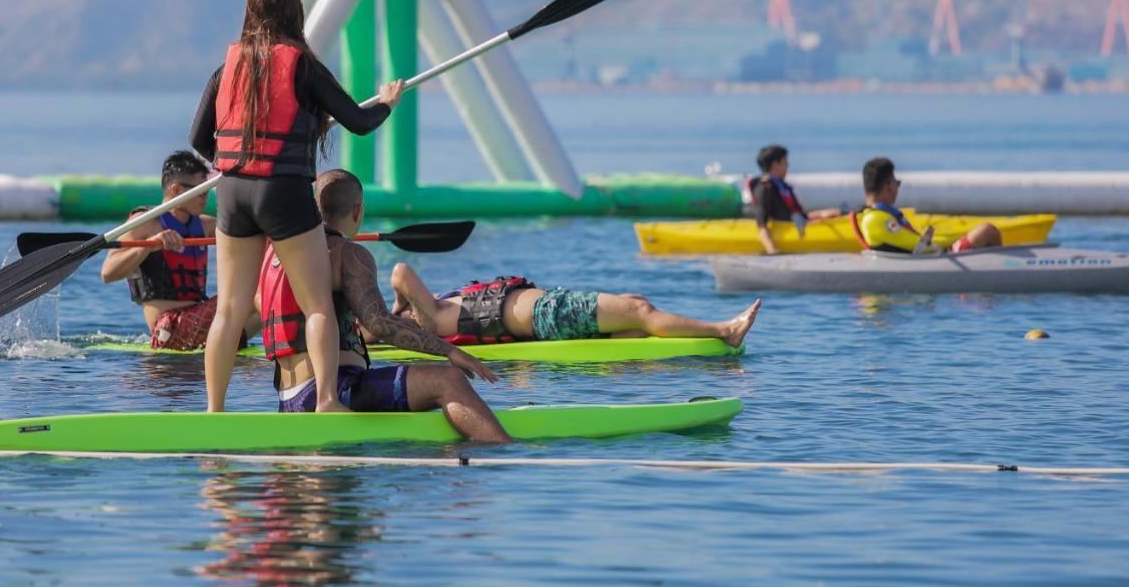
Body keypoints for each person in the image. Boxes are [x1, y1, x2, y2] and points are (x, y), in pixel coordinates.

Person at [190, 0, 403, 413]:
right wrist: (387, 101)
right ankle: (325, 399)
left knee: (229, 310)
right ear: (295, 13)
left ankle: (213, 410)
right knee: (317, 303)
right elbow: (359, 123)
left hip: (232, 193)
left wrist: (233, 162)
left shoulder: (224, 68)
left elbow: (198, 139)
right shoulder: (301, 65)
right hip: (284, 194)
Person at [260, 169, 511, 442]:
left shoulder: (278, 254)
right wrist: (450, 351)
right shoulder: (350, 254)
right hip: (335, 389)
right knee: (449, 380)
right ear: (357, 210)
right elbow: (378, 324)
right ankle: (506, 453)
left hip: (288, 398)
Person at [100, 151, 258, 350]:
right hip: (169, 328)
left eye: (207, 192)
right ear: (176, 189)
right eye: (200, 192)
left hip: (197, 322)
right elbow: (107, 273)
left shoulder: (206, 226)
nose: (204, 199)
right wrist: (149, 246)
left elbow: (253, 235)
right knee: (255, 293)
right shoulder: (146, 224)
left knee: (277, 289)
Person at [386, 267, 760, 348]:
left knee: (633, 311)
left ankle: (693, 338)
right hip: (549, 313)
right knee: (641, 310)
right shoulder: (432, 318)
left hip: (550, 311)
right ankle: (724, 331)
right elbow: (400, 272)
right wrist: (398, 306)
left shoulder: (435, 313)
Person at [853, 157, 1001, 253]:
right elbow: (920, 246)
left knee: (984, 233)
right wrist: (956, 239)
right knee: (987, 231)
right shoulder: (875, 219)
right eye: (897, 183)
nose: (897, 189)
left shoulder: (880, 216)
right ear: (889, 186)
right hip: (932, 261)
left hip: (926, 260)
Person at [749, 144, 841, 255]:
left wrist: (822, 214)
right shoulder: (764, 189)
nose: (788, 165)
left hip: (796, 225)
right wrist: (773, 251)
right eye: (785, 162)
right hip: (785, 232)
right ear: (775, 165)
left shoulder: (782, 187)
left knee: (835, 213)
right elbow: (762, 227)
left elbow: (795, 215)